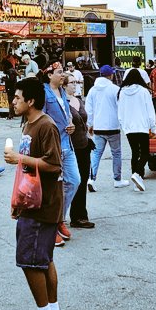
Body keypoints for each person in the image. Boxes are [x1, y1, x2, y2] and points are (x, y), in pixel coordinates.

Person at [3, 77, 66, 310]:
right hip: (30, 201)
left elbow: (54, 164)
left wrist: (20, 158)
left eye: (17, 98)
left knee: (30, 261)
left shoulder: (45, 125)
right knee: (42, 259)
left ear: (30, 101)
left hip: (44, 205)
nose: (13, 102)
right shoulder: (28, 123)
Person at [42, 63, 80, 246]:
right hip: (52, 146)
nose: (62, 75)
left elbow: (66, 114)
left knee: (74, 181)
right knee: (53, 188)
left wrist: (71, 123)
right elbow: (40, 119)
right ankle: (51, 226)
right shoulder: (43, 93)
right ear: (49, 75)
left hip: (67, 143)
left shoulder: (62, 93)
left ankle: (59, 219)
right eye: (59, 72)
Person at [85, 65, 129, 190]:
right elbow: (121, 108)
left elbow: (89, 110)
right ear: (110, 75)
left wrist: (90, 124)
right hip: (113, 127)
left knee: (96, 154)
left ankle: (91, 179)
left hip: (98, 127)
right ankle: (117, 179)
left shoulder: (92, 90)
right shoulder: (115, 89)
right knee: (116, 153)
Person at [117, 68, 156, 191]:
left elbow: (120, 112)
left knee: (135, 152)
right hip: (142, 126)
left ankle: (136, 182)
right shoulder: (144, 91)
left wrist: (123, 126)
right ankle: (137, 174)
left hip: (129, 127)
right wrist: (153, 127)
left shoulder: (122, 92)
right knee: (145, 152)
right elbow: (150, 111)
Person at [65, 71, 94, 229]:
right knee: (73, 181)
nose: (75, 85)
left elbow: (83, 119)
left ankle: (79, 215)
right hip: (71, 147)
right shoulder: (62, 102)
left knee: (82, 180)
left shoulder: (77, 100)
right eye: (72, 83)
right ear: (64, 86)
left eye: (76, 82)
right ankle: (70, 215)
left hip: (84, 145)